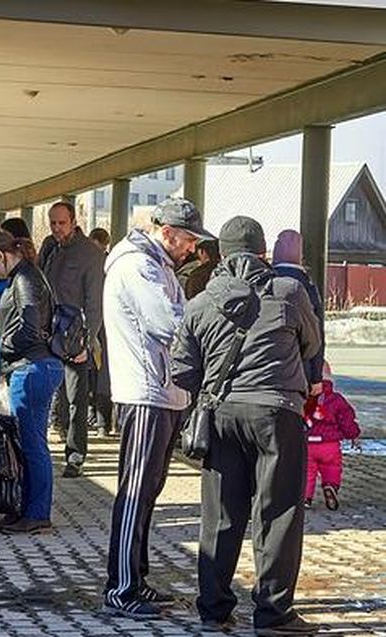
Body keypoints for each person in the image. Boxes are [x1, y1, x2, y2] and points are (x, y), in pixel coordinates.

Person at [171, 216, 321, 635]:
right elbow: (311, 343)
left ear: (222, 254)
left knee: (220, 515)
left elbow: (182, 369)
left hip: (220, 416)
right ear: (261, 253)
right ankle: (273, 614)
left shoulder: (200, 300)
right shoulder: (290, 291)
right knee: (277, 514)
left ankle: (214, 608)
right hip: (277, 413)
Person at [101, 198, 211, 618]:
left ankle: (136, 578)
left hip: (162, 390)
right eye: (187, 241)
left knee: (148, 491)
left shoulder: (158, 264)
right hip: (145, 391)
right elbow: (169, 323)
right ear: (167, 233)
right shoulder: (138, 266)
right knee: (134, 493)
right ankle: (122, 587)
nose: (191, 250)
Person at [0, 231, 63, 535]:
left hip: (32, 367)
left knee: (32, 445)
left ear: (2, 256)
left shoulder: (25, 278)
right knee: (27, 443)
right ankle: (26, 509)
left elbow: (30, 325)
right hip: (33, 366)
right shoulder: (26, 275)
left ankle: (37, 512)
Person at [39, 201, 106, 478]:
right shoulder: (49, 247)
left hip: (75, 333)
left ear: (74, 221)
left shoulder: (90, 253)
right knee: (48, 393)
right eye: (53, 223)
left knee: (76, 396)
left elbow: (95, 302)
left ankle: (75, 455)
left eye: (61, 223)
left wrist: (88, 341)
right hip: (48, 331)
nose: (56, 228)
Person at [273, 229, 326, 397]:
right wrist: (316, 376)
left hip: (269, 367)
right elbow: (317, 334)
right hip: (300, 369)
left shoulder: (264, 279)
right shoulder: (308, 286)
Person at [304, 362, 360, 511]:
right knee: (332, 467)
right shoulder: (336, 399)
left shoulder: (303, 398)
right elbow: (346, 420)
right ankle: (330, 486)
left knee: (307, 472)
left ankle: (306, 498)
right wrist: (353, 435)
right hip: (330, 445)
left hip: (307, 444)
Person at [88, 227, 115, 436]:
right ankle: (101, 421)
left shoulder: (91, 263)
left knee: (99, 371)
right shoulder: (111, 265)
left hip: (98, 321)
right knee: (103, 371)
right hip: (106, 322)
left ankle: (100, 420)